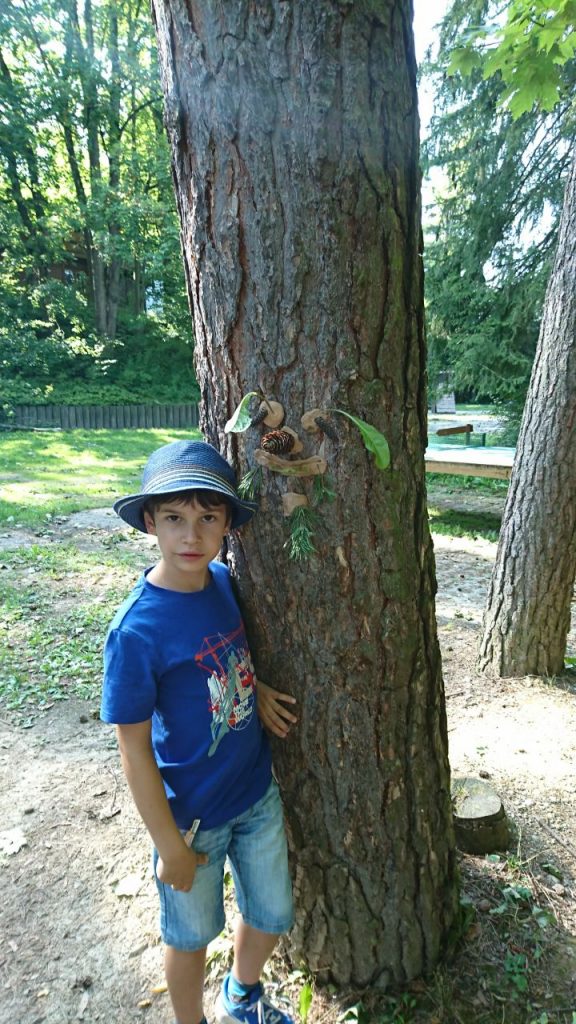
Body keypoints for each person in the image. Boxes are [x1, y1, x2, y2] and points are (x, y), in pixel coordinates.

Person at [101, 439, 298, 1024]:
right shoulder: (136, 632)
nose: (191, 535)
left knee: (273, 914)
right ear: (149, 522)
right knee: (190, 937)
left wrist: (255, 687)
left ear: (227, 525)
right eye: (174, 518)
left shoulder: (223, 582)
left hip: (255, 794)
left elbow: (229, 656)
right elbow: (133, 749)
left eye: (208, 518)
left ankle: (242, 995)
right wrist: (169, 845)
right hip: (191, 820)